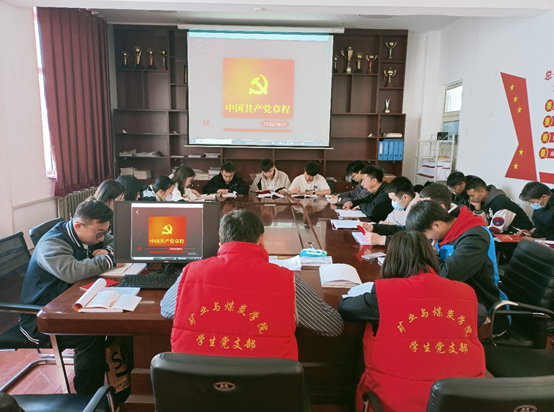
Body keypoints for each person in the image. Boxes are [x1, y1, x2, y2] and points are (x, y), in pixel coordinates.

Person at [161, 210, 344, 359]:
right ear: (262, 239)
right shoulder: (287, 281)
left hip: (197, 387)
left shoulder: (191, 272)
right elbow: (333, 325)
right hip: (266, 389)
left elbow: (166, 308)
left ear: (220, 243)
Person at [339, 230, 486, 412]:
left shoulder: (386, 293)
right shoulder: (464, 292)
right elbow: (480, 315)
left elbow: (346, 308)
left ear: (392, 260)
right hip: (460, 402)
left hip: (395, 404)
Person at [19, 200, 115, 394]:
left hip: (68, 303)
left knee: (112, 323)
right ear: (78, 226)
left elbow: (116, 241)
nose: (102, 238)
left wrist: (107, 251)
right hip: (41, 317)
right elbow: (72, 272)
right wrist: (109, 259)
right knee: (91, 334)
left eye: (104, 232)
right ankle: (88, 397)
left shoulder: (88, 233)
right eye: (99, 234)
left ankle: (116, 382)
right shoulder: (52, 243)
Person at [406, 201, 509, 334]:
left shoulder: (474, 238)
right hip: (456, 300)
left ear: (436, 225)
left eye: (425, 235)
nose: (427, 239)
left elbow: (446, 276)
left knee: (417, 327)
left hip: (485, 312)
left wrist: (428, 256)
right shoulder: (446, 234)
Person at [361, 176, 420, 245]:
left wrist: (382, 239)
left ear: (405, 197)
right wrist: (374, 227)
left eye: (394, 200)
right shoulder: (402, 204)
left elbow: (408, 236)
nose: (393, 202)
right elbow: (392, 223)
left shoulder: (418, 211)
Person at [465, 177, 533, 234]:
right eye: (469, 196)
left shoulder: (501, 203)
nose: (471, 199)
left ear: (482, 192)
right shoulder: (484, 201)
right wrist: (478, 209)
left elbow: (495, 230)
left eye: (472, 196)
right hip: (505, 235)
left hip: (520, 235)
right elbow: (484, 224)